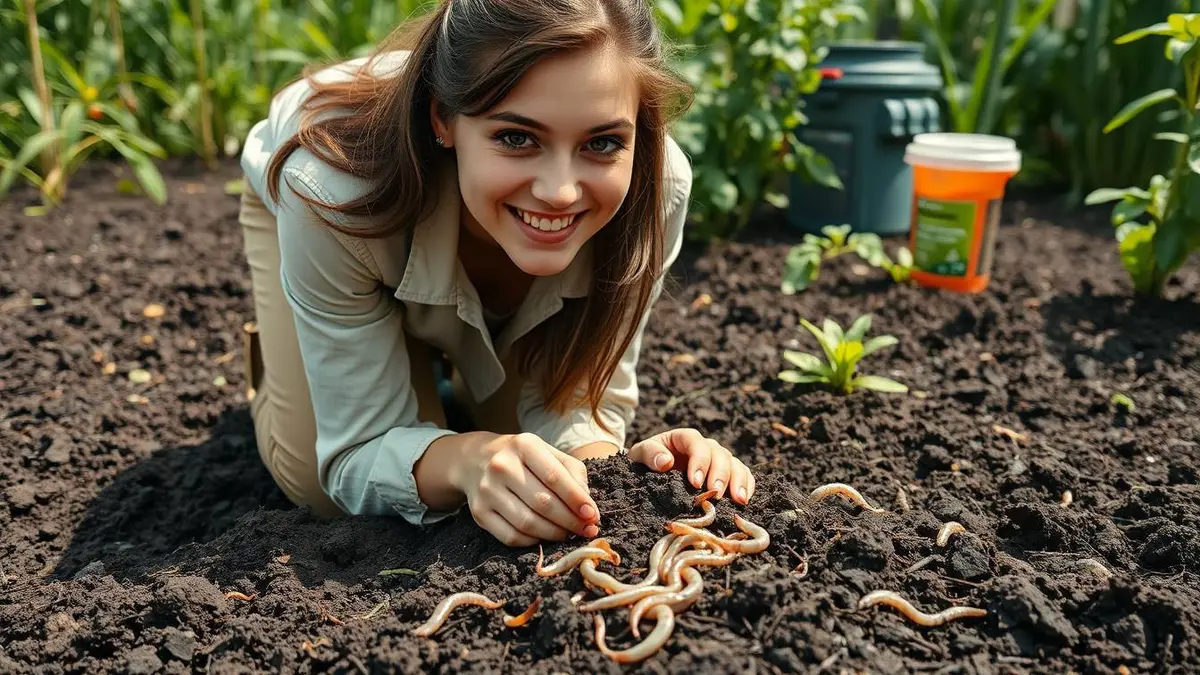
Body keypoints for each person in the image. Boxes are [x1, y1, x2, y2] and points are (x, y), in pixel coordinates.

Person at [236, 0, 756, 547]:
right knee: (320, 491)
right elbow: (355, 452)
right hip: (336, 211)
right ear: (443, 118)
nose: (559, 192)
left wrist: (626, 475)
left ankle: (440, 368)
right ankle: (295, 348)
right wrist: (466, 458)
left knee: (525, 456)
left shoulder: (656, 188)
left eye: (602, 143)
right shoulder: (328, 189)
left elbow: (574, 402)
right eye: (516, 137)